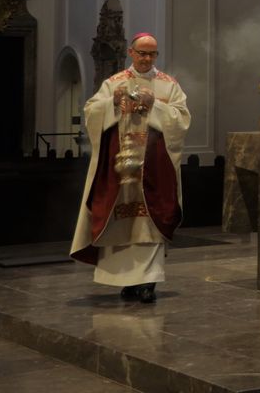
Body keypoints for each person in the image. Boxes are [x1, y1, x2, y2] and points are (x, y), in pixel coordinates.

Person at [70, 32, 190, 303]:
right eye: (142, 53)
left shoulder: (168, 86)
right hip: (120, 169)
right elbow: (91, 111)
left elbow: (182, 120)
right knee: (120, 221)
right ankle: (126, 281)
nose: (147, 58)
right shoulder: (114, 83)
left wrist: (154, 105)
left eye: (152, 54)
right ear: (131, 53)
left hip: (154, 169)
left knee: (151, 221)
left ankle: (147, 281)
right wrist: (112, 102)